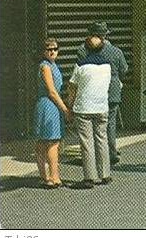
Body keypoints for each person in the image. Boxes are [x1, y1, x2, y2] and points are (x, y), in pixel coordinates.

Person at [75, 22, 128, 166]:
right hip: (113, 90)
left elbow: (80, 70)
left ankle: (91, 155)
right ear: (106, 35)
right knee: (109, 123)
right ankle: (110, 152)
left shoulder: (83, 50)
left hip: (91, 91)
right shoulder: (116, 51)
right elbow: (124, 69)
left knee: (89, 126)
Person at [68, 35, 112, 189]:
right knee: (102, 139)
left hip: (84, 108)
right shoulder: (107, 65)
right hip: (101, 107)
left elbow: (72, 87)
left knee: (87, 143)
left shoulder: (80, 65)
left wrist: (69, 105)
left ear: (85, 48)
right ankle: (105, 173)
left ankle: (89, 177)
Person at [33, 38, 69, 189]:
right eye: (49, 49)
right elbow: (52, 92)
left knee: (43, 142)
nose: (52, 51)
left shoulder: (53, 65)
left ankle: (45, 176)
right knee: (52, 142)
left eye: (55, 49)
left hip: (49, 105)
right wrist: (65, 109)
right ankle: (54, 177)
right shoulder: (45, 67)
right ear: (44, 51)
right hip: (49, 105)